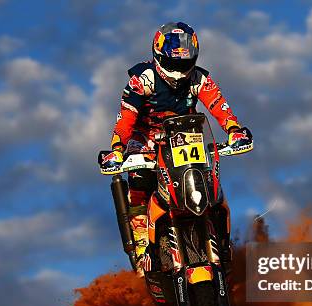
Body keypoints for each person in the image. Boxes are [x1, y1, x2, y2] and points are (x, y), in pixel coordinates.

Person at [108, 21, 252, 267]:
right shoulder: (142, 80)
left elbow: (218, 105)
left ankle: (219, 235)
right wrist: (117, 150)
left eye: (183, 62)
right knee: (139, 181)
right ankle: (143, 244)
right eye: (173, 62)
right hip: (146, 140)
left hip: (185, 139)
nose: (178, 69)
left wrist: (235, 131)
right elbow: (126, 117)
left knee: (206, 179)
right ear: (158, 54)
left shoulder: (199, 78)